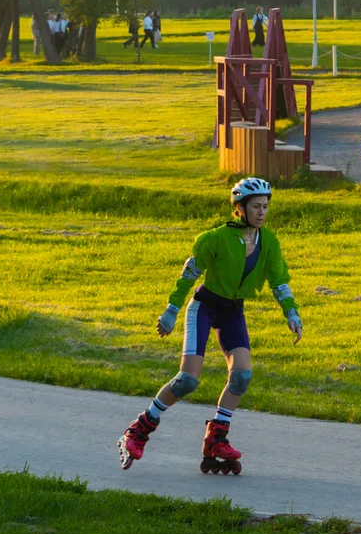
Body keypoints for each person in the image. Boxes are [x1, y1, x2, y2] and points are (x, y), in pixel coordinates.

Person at [118, 176, 302, 475]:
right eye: (255, 206)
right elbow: (188, 276)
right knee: (187, 380)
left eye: (265, 206)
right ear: (240, 208)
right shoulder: (216, 238)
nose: (261, 212)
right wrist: (171, 311)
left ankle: (216, 438)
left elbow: (279, 281)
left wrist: (291, 313)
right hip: (205, 307)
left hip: (233, 312)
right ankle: (139, 429)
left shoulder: (268, 242)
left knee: (242, 376)